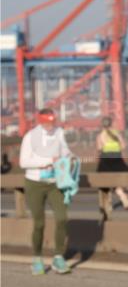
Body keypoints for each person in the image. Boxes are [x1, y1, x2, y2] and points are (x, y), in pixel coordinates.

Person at [19, 108, 73, 275]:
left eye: (52, 122)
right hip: (35, 183)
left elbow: (65, 151)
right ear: (40, 121)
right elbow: (24, 162)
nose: (50, 125)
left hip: (55, 182)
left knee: (62, 217)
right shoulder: (30, 137)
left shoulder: (60, 133)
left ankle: (58, 258)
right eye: (46, 122)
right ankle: (37, 259)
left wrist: (69, 158)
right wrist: (48, 160)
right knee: (39, 223)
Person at [95, 116, 128, 212]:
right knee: (116, 182)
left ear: (102, 125)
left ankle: (108, 204)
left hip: (106, 160)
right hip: (117, 159)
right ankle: (124, 199)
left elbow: (99, 149)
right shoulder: (117, 134)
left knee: (105, 183)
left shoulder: (100, 136)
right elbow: (123, 146)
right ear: (111, 124)